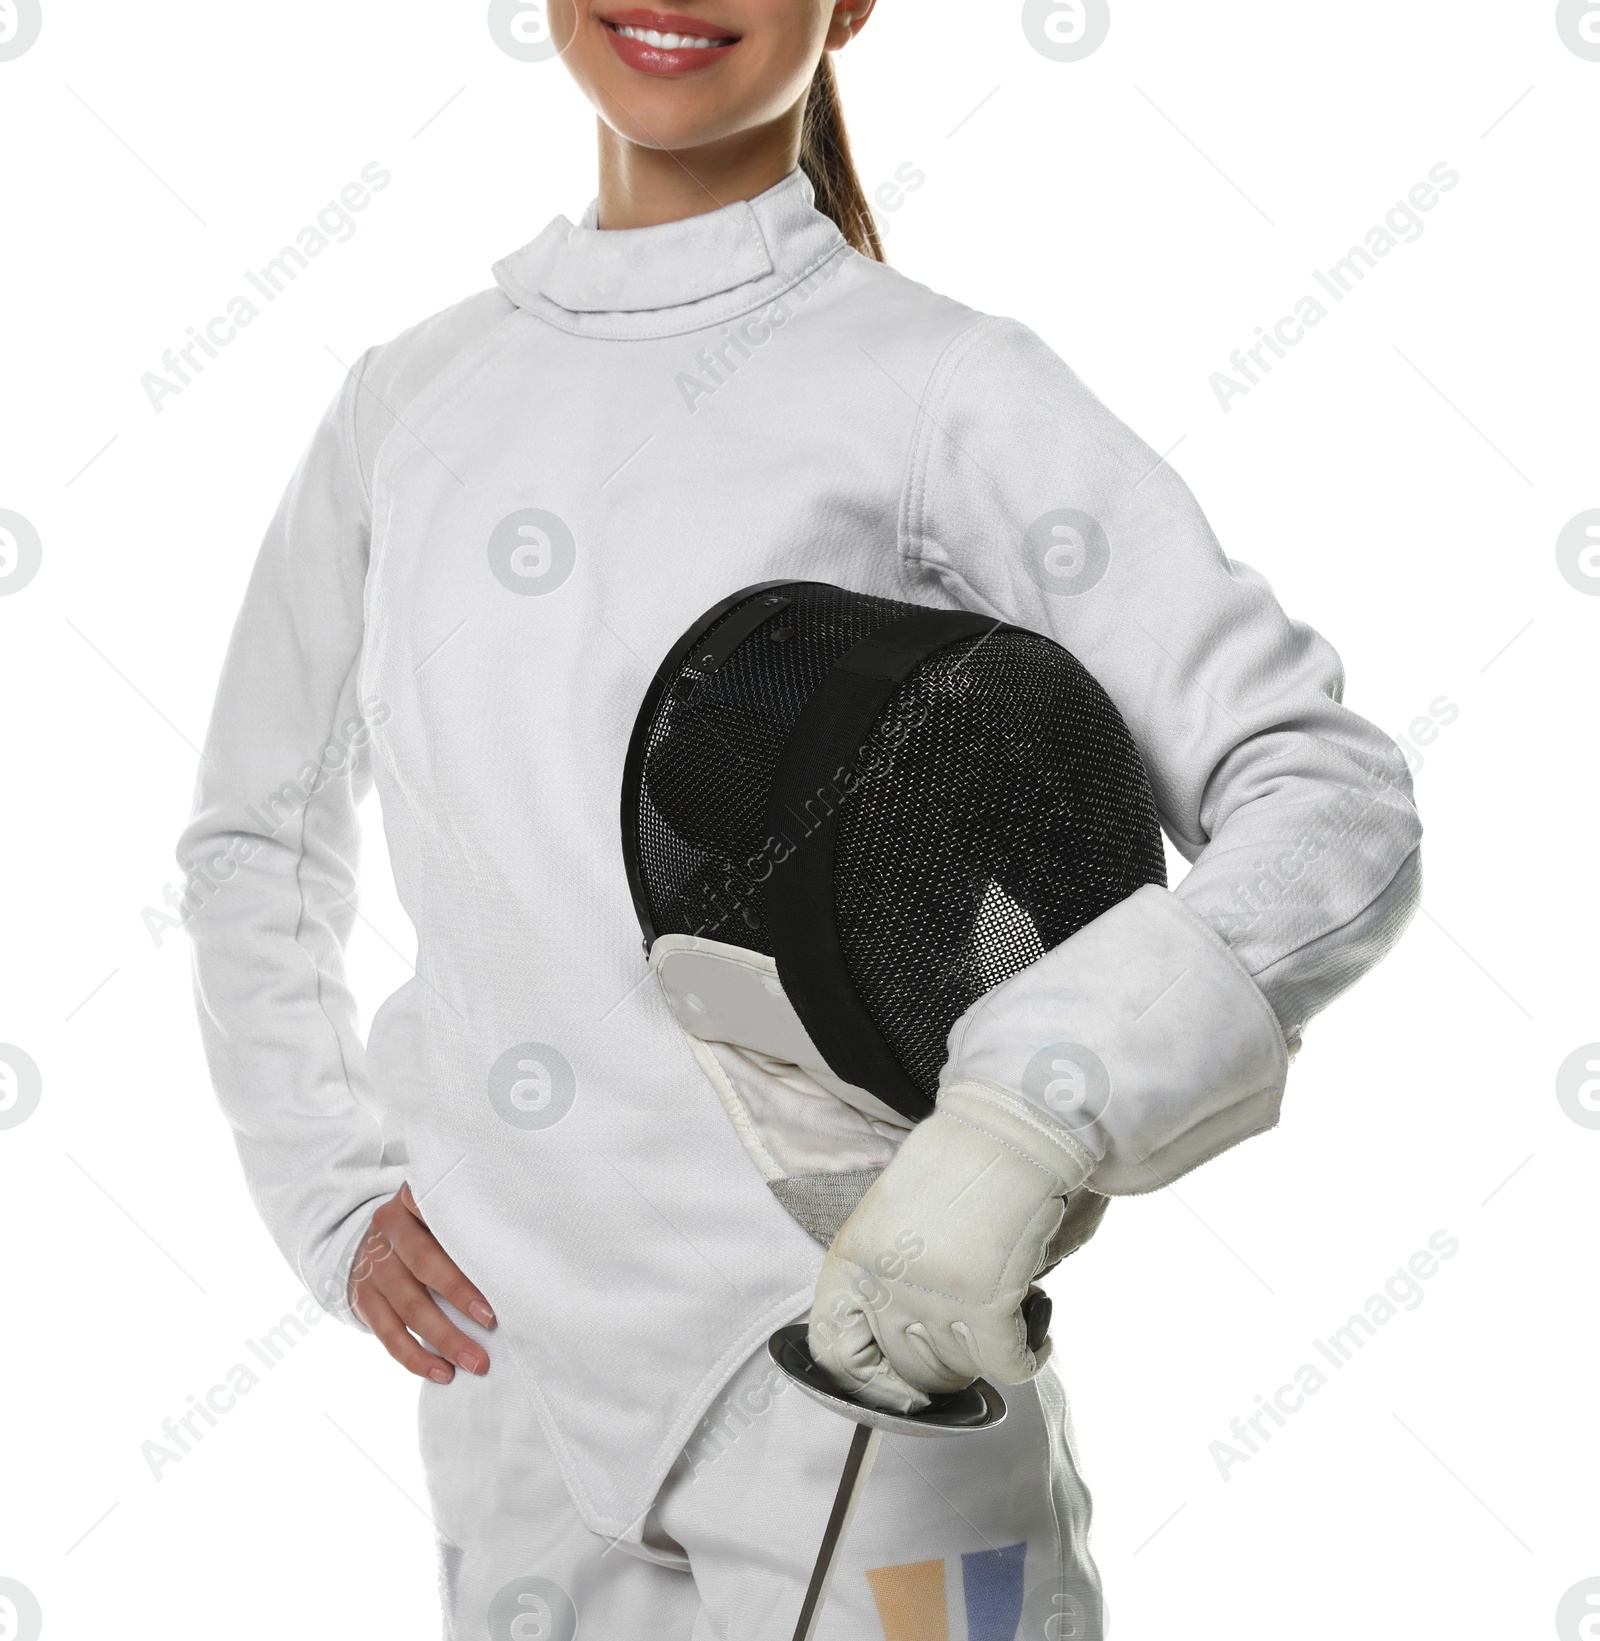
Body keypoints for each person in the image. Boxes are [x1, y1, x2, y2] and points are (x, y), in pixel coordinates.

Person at [179, 3, 1422, 1635]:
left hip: (869, 1381)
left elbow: (1323, 799)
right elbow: (253, 837)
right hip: (515, 1406)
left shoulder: (935, 385)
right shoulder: (408, 402)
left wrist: (1024, 1125)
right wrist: (330, 1192)